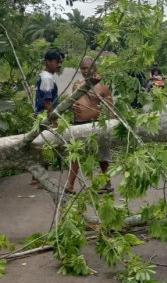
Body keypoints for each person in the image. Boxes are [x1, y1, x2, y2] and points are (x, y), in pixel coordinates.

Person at [64, 57, 114, 195]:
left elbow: (111, 107)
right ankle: (69, 185)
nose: (85, 71)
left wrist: (109, 123)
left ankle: (107, 183)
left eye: (88, 68)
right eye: (83, 68)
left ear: (95, 68)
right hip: (78, 125)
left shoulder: (102, 85)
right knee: (75, 153)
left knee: (102, 156)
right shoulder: (77, 84)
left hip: (95, 125)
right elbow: (70, 102)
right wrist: (72, 106)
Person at [30, 49, 62, 186]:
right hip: (46, 118)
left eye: (61, 62)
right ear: (48, 62)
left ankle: (36, 177)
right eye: (57, 62)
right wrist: (54, 120)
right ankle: (40, 178)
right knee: (48, 147)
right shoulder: (47, 78)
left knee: (40, 146)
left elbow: (40, 98)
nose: (59, 65)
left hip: (40, 116)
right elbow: (47, 102)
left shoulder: (42, 76)